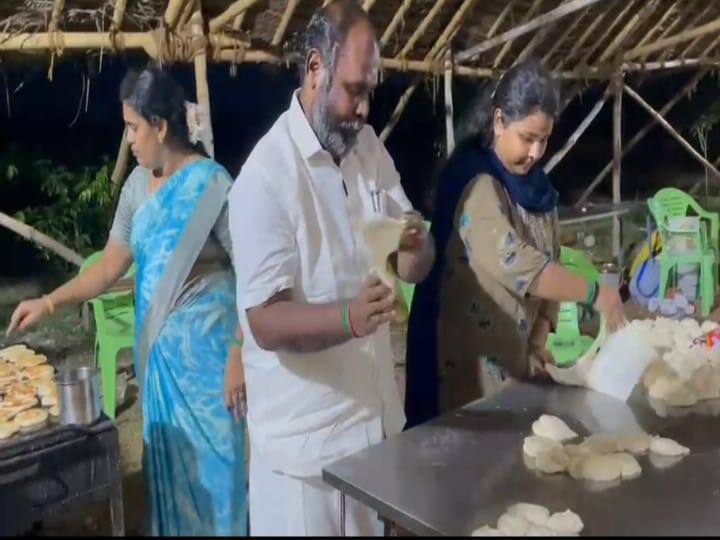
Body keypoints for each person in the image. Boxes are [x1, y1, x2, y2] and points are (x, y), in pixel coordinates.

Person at [7, 68, 247, 536]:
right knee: (172, 494)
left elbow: (252, 273)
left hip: (211, 376)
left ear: (160, 127)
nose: (129, 140)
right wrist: (50, 302)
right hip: (160, 375)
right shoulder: (138, 188)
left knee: (218, 492)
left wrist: (240, 352)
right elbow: (109, 265)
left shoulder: (215, 186)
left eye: (134, 128)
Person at [228, 0, 434, 535]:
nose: (365, 109)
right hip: (306, 461)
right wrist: (349, 318)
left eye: (370, 91)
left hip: (372, 437)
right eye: (355, 90)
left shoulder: (366, 149)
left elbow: (412, 244)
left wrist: (414, 249)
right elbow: (265, 320)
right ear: (315, 69)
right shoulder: (266, 178)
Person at [404, 59, 625, 428]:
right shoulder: (474, 181)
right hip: (460, 368)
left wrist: (538, 341)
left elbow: (551, 259)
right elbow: (515, 262)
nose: (536, 152)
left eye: (544, 140)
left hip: (514, 364)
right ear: (499, 122)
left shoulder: (538, 190)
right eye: (527, 138)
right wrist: (594, 292)